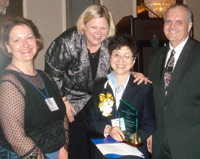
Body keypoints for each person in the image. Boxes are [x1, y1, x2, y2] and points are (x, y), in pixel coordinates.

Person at [45, 4, 148, 159]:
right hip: (70, 99)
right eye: (93, 27)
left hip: (98, 98)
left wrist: (135, 74)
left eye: (103, 28)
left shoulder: (110, 43)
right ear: (84, 25)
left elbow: (119, 63)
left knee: (99, 142)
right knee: (75, 146)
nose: (98, 33)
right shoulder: (68, 41)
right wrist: (63, 100)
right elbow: (52, 72)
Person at [0, 16, 69, 159]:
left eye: (29, 38)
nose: (25, 44)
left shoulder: (45, 77)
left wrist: (64, 148)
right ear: (8, 46)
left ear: (37, 41)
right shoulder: (9, 83)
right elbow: (15, 136)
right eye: (17, 40)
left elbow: (62, 115)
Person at [86, 34, 156, 159]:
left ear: (133, 61)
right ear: (110, 58)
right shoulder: (99, 86)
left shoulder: (144, 87)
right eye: (116, 55)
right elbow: (90, 122)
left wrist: (133, 139)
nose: (121, 60)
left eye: (127, 56)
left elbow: (150, 122)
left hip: (134, 152)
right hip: (105, 152)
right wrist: (108, 130)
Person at [147, 4, 200, 159]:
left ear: (189, 25)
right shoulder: (155, 58)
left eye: (179, 22)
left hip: (191, 145)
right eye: (168, 21)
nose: (172, 26)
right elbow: (153, 100)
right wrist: (150, 132)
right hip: (159, 143)